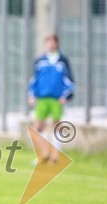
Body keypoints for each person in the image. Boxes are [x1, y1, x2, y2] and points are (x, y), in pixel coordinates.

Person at [28, 33, 74, 163]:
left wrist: (66, 95)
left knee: (56, 126)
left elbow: (70, 80)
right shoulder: (40, 60)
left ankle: (55, 156)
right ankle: (45, 154)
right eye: (48, 42)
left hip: (56, 98)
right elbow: (34, 80)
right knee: (38, 126)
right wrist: (31, 94)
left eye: (52, 42)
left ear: (56, 43)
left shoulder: (62, 60)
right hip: (42, 98)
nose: (50, 44)